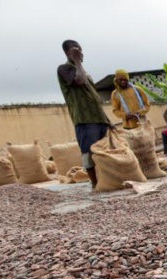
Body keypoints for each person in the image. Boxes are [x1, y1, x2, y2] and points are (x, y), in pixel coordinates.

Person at [57, 40, 112, 190]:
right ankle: (95, 184)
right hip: (85, 119)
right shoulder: (64, 69)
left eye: (81, 50)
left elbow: (94, 97)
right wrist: (76, 61)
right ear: (68, 52)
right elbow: (79, 81)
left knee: (102, 153)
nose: (81, 53)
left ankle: (104, 181)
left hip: (98, 118)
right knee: (89, 152)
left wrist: (107, 120)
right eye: (77, 50)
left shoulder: (84, 72)